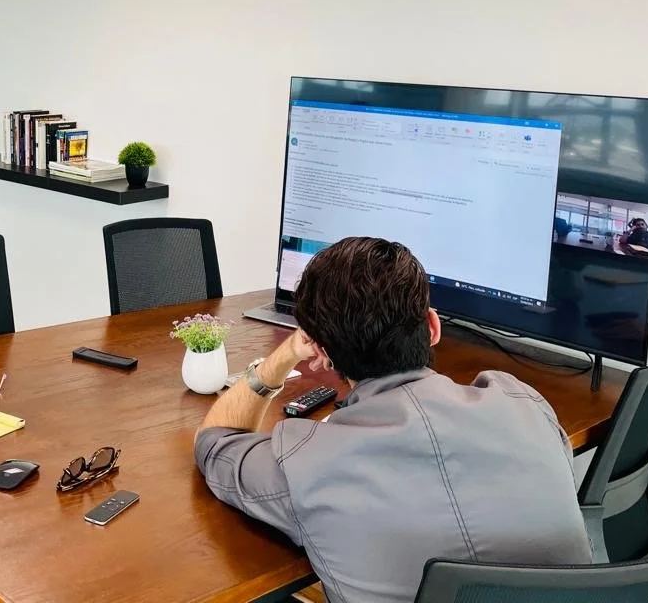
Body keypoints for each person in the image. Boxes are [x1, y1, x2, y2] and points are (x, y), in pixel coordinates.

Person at [194, 237, 591, 603]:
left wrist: (279, 361)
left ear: (324, 351)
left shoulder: (305, 464)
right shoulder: (525, 405)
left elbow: (214, 443)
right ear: (432, 327)